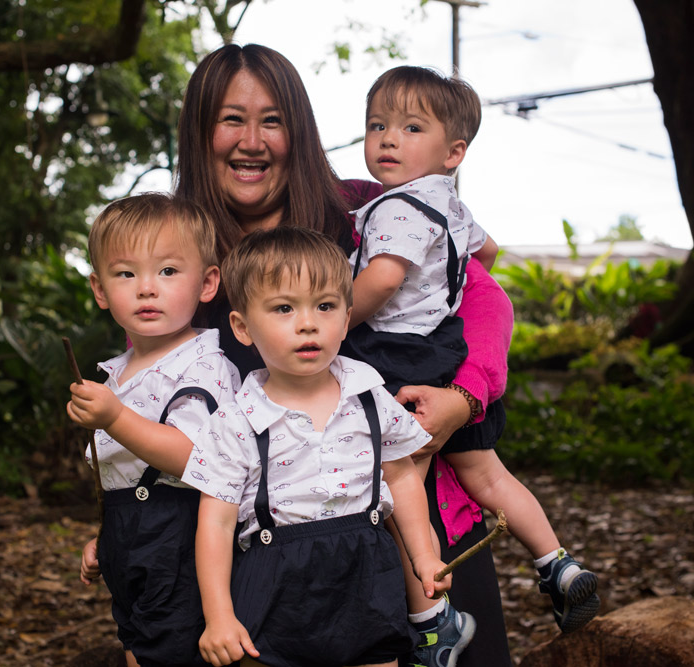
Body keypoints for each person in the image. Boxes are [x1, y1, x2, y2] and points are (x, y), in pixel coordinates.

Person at [81, 43, 515, 667]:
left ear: (299, 131)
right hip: (268, 555)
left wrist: (464, 397)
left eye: (272, 120)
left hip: (414, 497)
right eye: (231, 119)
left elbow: (481, 293)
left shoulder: (369, 210)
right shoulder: (173, 252)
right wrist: (123, 531)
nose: (251, 141)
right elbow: (152, 412)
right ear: (201, 134)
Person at [347, 65, 600, 650]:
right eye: (377, 125)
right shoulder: (447, 201)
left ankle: (435, 623)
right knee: (485, 471)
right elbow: (488, 251)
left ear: (453, 151)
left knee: (402, 484)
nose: (388, 139)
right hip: (446, 348)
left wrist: (335, 323)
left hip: (395, 354)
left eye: (411, 128)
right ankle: (556, 562)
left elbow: (382, 281)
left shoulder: (396, 208)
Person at [183, 226, 450, 667]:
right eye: (284, 308)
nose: (308, 322)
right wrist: (219, 617)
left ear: (345, 320)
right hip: (276, 581)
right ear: (243, 327)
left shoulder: (369, 396)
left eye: (325, 306)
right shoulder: (236, 420)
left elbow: (402, 474)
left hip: (367, 575)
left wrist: (423, 554)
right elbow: (215, 523)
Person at [66, 193, 242, 667]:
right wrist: (107, 538)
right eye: (126, 274)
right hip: (135, 534)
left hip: (181, 535)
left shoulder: (203, 367)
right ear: (100, 290)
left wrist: (114, 419)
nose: (147, 288)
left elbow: (195, 460)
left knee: (170, 650)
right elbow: (122, 472)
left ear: (207, 283)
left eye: (167, 271)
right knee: (136, 642)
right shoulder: (119, 372)